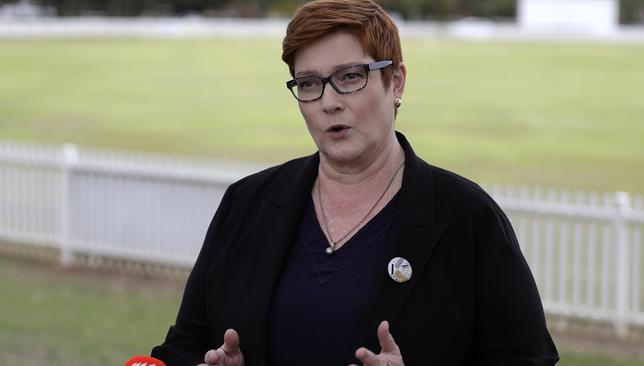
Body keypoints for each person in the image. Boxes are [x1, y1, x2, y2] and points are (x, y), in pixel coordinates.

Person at [151, 0, 559, 365]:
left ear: (396, 82)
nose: (329, 101)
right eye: (309, 84)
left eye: (350, 76)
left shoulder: (468, 218)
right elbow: (184, 344)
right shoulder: (247, 203)